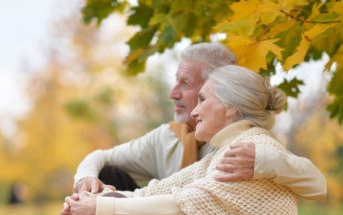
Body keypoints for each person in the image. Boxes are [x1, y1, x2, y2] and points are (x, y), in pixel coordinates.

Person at [61, 65, 320, 215]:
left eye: (203, 100)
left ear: (231, 107)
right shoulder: (224, 150)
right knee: (108, 209)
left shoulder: (249, 150)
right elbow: (160, 191)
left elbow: (181, 207)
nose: (195, 112)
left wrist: (100, 208)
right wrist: (95, 202)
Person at [73, 43, 326, 201]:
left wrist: (264, 162)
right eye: (176, 81)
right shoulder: (167, 137)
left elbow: (316, 184)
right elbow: (101, 156)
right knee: (106, 175)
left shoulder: (245, 140)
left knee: (105, 206)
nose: (173, 93)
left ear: (218, 90)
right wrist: (85, 179)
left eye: (185, 84)